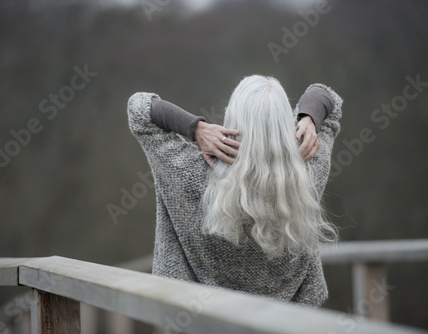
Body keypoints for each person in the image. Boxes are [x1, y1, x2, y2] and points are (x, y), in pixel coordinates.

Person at [127, 75, 342, 307]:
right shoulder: (308, 170)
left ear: (231, 116)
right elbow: (328, 98)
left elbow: (139, 108)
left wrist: (196, 128)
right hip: (286, 322)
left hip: (197, 318)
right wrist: (309, 118)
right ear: (286, 124)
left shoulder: (186, 171)